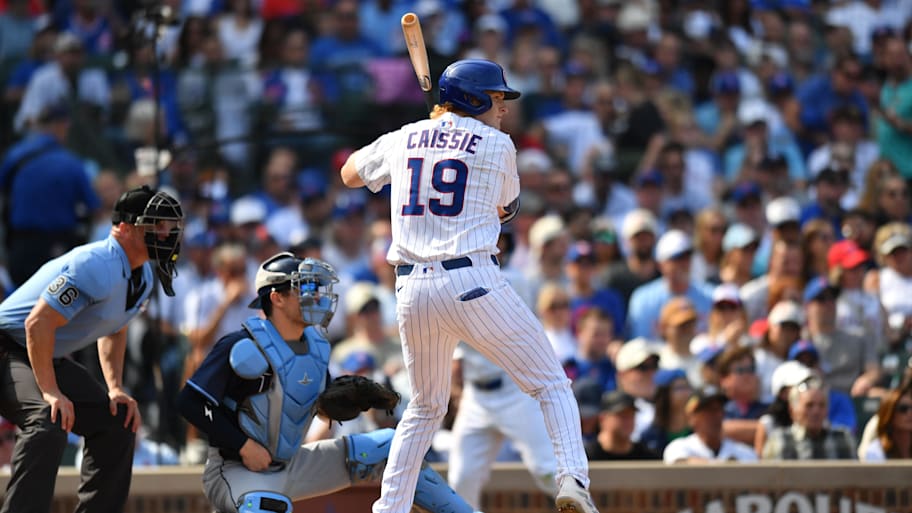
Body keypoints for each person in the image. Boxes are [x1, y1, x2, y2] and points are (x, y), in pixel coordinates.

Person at [340, 59, 599, 513]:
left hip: (412, 290)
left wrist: (422, 138)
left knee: (425, 409)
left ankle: (389, 508)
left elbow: (349, 174)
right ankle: (573, 480)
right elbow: (507, 208)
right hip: (471, 280)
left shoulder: (405, 135)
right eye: (496, 98)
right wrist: (443, 139)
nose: (503, 108)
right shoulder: (498, 145)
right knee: (552, 384)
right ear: (474, 99)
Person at [177, 252, 478, 513]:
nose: (315, 296)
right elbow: (189, 402)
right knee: (265, 505)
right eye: (303, 288)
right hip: (236, 470)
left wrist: (347, 398)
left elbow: (320, 406)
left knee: (393, 447)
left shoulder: (317, 346)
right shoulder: (241, 345)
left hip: (293, 464)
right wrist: (242, 445)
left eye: (315, 287)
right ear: (277, 297)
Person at [0, 185, 183, 513]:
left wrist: (115, 388)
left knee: (118, 424)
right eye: (156, 225)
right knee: (47, 420)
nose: (165, 233)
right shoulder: (96, 263)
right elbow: (37, 324)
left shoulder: (142, 275)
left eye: (168, 226)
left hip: (38, 353)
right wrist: (51, 391)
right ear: (124, 228)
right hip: (7, 347)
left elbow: (115, 328)